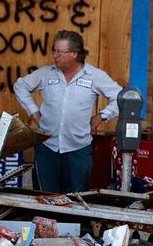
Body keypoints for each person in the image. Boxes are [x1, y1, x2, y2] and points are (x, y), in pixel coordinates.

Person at [13, 30, 122, 192]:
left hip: (78, 150)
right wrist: (34, 112)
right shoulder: (45, 73)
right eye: (54, 51)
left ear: (74, 53)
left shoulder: (95, 76)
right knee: (44, 198)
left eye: (60, 52)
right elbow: (20, 86)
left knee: (76, 200)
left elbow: (121, 97)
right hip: (47, 147)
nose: (55, 55)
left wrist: (102, 116)